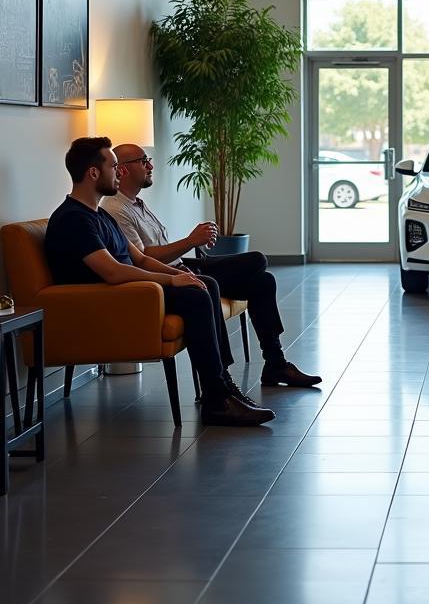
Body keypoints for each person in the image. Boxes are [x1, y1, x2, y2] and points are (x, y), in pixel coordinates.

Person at [45, 137, 275, 427]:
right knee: (196, 295)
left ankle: (221, 387)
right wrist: (169, 279)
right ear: (93, 173)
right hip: (114, 301)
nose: (118, 173)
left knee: (205, 284)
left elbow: (139, 259)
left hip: (134, 292)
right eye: (113, 167)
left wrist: (180, 275)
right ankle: (217, 399)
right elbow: (114, 272)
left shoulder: (99, 214)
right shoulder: (73, 220)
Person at [102, 143, 321, 389]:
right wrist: (189, 242)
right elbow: (141, 258)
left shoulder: (136, 203)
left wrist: (192, 247)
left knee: (263, 280)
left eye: (148, 159)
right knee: (256, 261)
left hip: (182, 266)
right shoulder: (115, 209)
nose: (151, 166)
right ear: (121, 170)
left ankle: (275, 363)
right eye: (143, 161)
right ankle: (223, 380)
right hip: (165, 274)